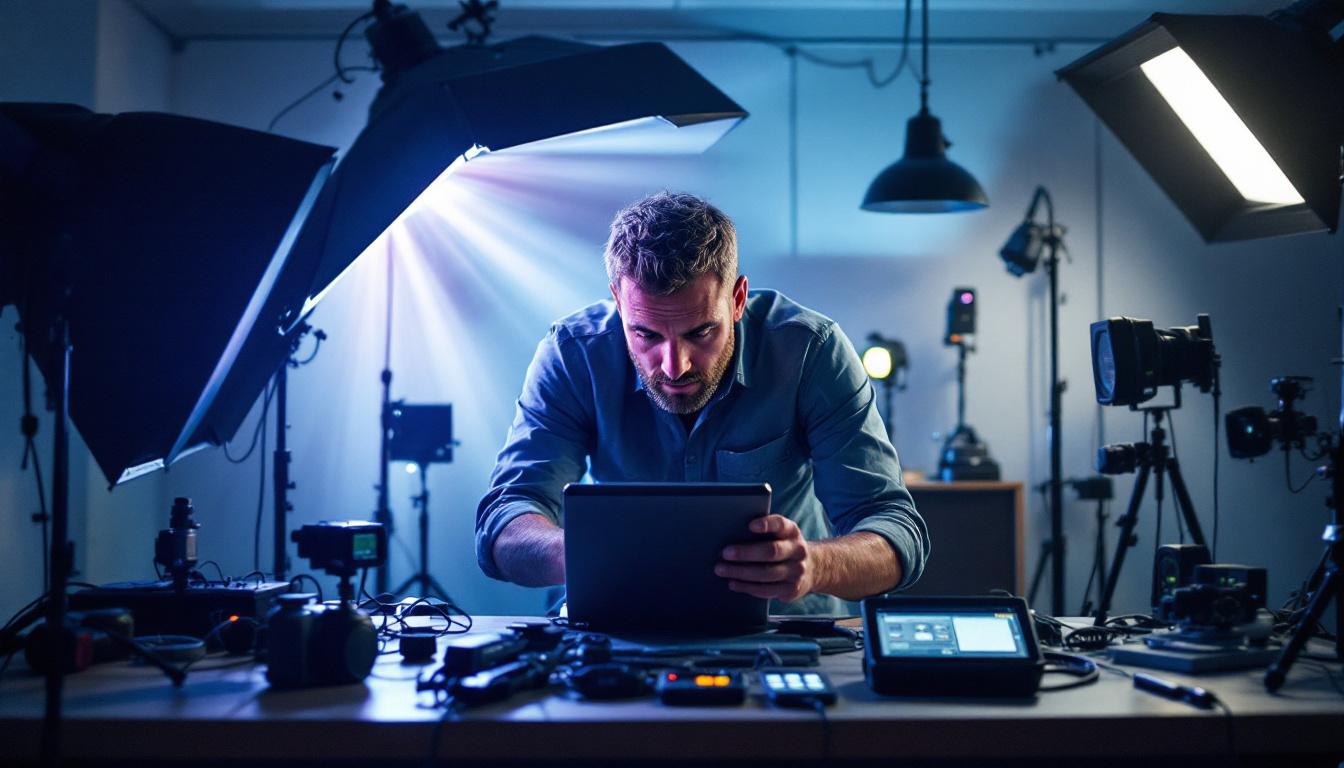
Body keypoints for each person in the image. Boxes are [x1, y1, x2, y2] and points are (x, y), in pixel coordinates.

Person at [476, 191, 928, 615]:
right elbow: (503, 522)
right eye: (646, 335)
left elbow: (897, 532)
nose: (675, 366)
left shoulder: (811, 351)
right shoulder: (573, 355)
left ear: (737, 299)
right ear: (619, 301)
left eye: (701, 332)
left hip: (786, 635)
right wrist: (583, 554)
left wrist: (815, 565)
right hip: (612, 638)